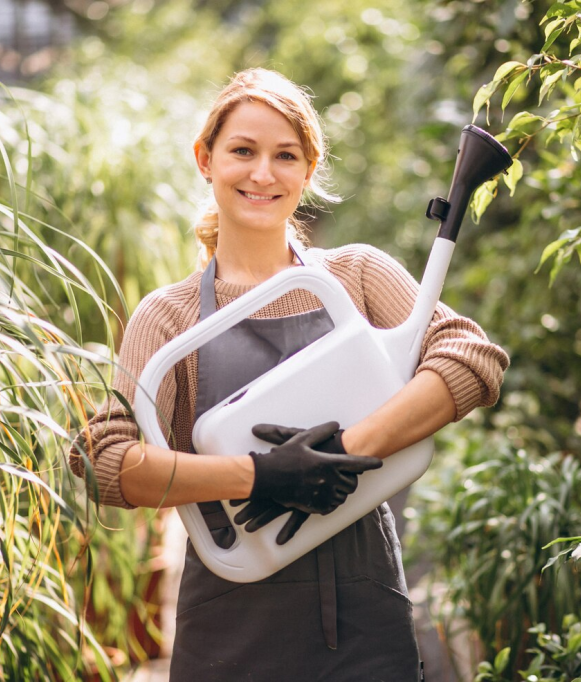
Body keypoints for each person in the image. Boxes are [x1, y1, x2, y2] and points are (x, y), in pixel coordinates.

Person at [70, 68, 510, 682]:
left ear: (308, 170)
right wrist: (263, 475)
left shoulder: (354, 277)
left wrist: (342, 454)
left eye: (285, 156)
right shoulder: (168, 319)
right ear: (205, 159)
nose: (262, 174)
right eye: (242, 151)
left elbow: (471, 358)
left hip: (365, 617)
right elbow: (104, 461)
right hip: (231, 626)